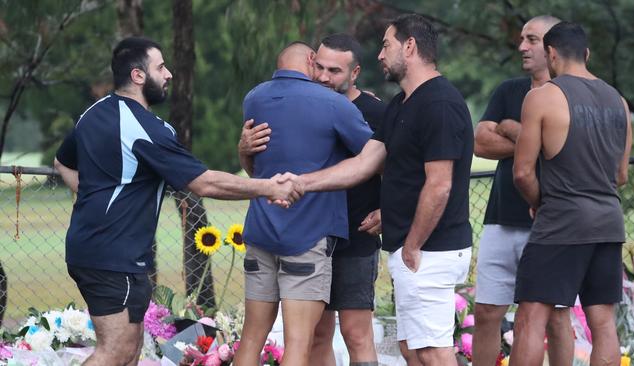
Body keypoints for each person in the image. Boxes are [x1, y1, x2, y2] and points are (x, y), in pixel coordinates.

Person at [53, 37, 302, 366]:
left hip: (103, 250)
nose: (169, 74)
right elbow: (204, 182)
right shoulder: (146, 129)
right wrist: (269, 187)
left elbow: (62, 163)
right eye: (161, 67)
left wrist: (91, 204)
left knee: (127, 351)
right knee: (114, 351)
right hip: (112, 256)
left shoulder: (92, 113)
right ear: (139, 76)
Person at [282, 14, 474, 366]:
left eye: (387, 45)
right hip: (411, 249)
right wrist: (301, 183)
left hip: (431, 248)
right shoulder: (403, 103)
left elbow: (440, 184)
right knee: (412, 351)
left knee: (433, 352)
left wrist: (413, 245)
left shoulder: (439, 103)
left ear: (410, 46)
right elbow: (364, 163)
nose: (381, 55)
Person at [239, 33, 385, 366]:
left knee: (252, 338)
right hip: (309, 236)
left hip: (269, 231)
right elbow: (376, 155)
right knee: (301, 344)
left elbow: (258, 164)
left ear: (355, 72)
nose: (323, 76)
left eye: (334, 70)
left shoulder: (254, 98)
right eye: (319, 66)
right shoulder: (333, 104)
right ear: (309, 62)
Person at [510, 21, 632, 366]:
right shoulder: (618, 101)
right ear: (587, 54)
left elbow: (522, 172)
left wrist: (540, 203)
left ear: (550, 53)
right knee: (603, 322)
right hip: (609, 222)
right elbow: (620, 175)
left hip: (562, 220)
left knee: (531, 318)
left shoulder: (543, 96)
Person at [472, 16, 575, 366]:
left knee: (557, 318)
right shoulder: (509, 90)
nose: (521, 47)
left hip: (552, 221)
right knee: (486, 311)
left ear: (552, 47)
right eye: (521, 39)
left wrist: (515, 129)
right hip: (500, 218)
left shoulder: (571, 94)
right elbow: (481, 142)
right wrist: (536, 139)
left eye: (531, 39)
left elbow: (569, 146)